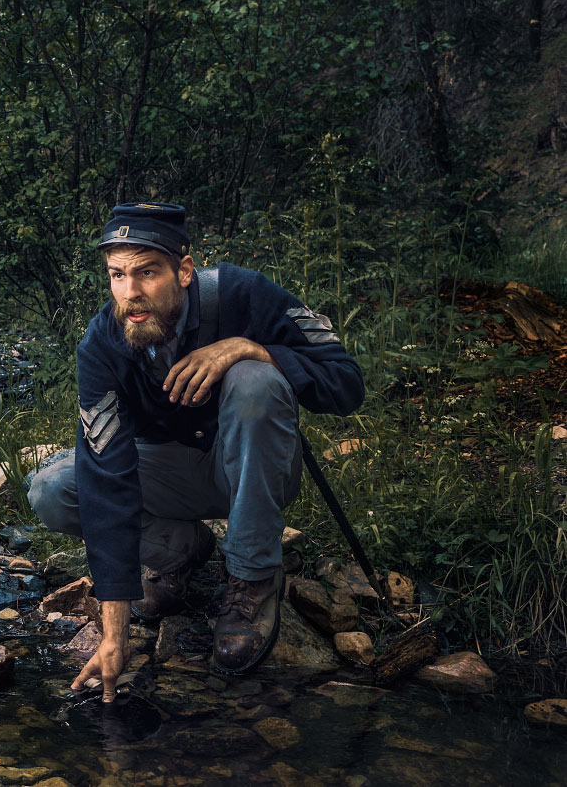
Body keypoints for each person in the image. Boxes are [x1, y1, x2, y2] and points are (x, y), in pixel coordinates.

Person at [27, 202, 363, 694]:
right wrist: (115, 635)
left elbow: (347, 382)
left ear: (184, 270)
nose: (130, 293)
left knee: (253, 380)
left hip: (254, 467)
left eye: (147, 273)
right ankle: (182, 553)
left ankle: (252, 578)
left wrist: (251, 348)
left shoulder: (245, 293)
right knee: (53, 489)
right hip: (170, 476)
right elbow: (107, 478)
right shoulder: (102, 344)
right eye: (117, 275)